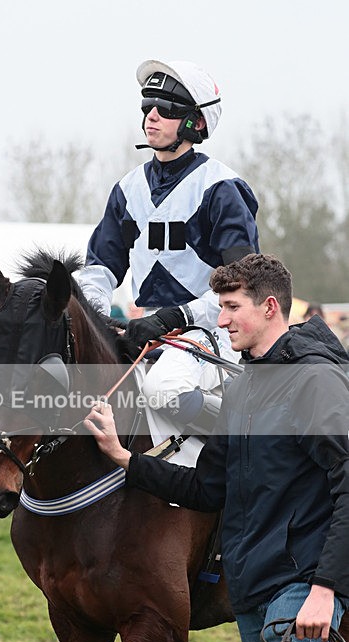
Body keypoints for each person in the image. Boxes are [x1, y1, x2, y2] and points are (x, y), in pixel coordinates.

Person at [85, 253, 349, 642]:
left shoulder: (315, 380)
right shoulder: (243, 386)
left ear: (270, 307)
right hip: (253, 593)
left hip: (303, 591)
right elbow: (209, 487)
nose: (221, 320)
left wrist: (326, 591)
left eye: (231, 308)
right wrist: (125, 460)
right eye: (221, 307)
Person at [77, 58, 259, 443]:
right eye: (147, 108)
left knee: (164, 390)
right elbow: (99, 268)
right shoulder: (126, 188)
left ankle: (245, 445)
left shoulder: (222, 188)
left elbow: (243, 286)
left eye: (166, 111)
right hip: (146, 331)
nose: (151, 117)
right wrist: (94, 316)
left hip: (212, 330)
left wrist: (175, 318)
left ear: (195, 122)